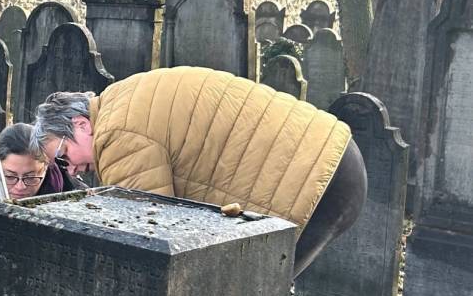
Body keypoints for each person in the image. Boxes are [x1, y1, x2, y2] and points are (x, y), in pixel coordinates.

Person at [32, 66, 367, 277]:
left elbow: (148, 234)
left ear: (80, 124)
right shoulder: (124, 99)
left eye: (62, 156)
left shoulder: (117, 136)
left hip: (316, 179)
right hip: (333, 159)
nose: (71, 169)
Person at [0, 123, 79, 199]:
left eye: (30, 178)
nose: (20, 187)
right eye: (10, 177)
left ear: (47, 167)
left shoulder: (77, 197)